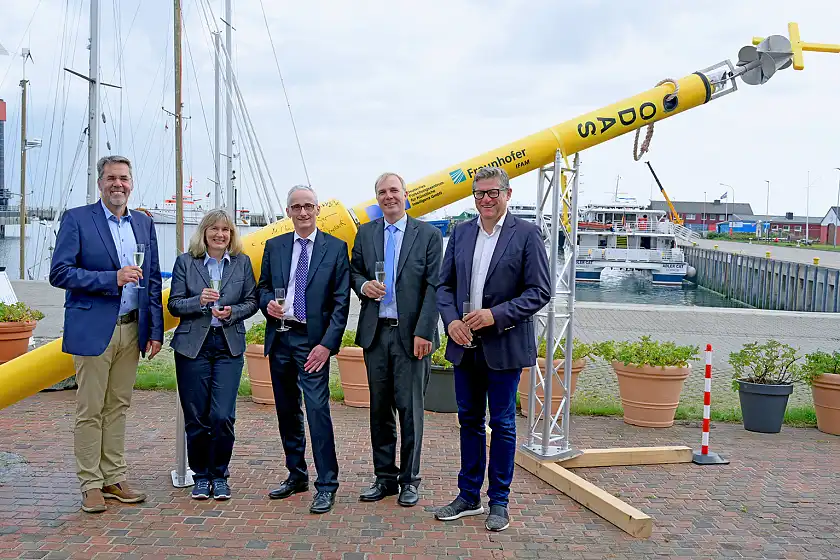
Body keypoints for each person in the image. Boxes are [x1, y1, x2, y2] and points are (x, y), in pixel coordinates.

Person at [435, 166, 550, 532]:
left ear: (507, 194)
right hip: (464, 344)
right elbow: (444, 286)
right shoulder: (460, 232)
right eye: (479, 193)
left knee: (502, 424)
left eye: (492, 193)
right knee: (468, 421)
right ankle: (468, 496)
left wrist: (494, 315)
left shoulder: (527, 234)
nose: (485, 199)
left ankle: (499, 501)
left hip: (504, 344)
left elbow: (539, 292)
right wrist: (451, 321)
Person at [49, 155, 164, 513]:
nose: (118, 184)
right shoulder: (77, 219)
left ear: (131, 183)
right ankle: (90, 483)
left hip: (132, 328)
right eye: (111, 178)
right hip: (93, 329)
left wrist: (155, 331)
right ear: (100, 183)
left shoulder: (144, 223)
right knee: (90, 409)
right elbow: (60, 273)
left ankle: (113, 477)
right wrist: (110, 279)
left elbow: (153, 280)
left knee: (118, 407)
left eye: (124, 178)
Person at [350, 172, 442, 507]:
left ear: (406, 195)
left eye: (394, 190)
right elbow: (354, 272)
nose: (388, 196)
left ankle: (410, 480)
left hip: (412, 336)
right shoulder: (365, 233)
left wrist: (424, 332)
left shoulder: (428, 235)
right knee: (380, 410)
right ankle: (385, 478)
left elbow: (435, 285)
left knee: (411, 411)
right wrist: (363, 286)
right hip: (376, 335)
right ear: (377, 198)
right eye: (382, 192)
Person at [257, 185, 350, 514]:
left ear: (318, 209)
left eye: (308, 206)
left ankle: (327, 484)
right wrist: (267, 304)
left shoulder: (335, 248)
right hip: (281, 337)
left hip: (313, 343)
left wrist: (327, 345)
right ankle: (296, 475)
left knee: (317, 410)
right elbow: (262, 288)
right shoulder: (275, 246)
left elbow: (341, 304)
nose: (303, 212)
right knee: (286, 411)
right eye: (296, 207)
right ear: (288, 212)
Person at [167, 209, 258, 501]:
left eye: (226, 230)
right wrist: (199, 300)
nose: (220, 234)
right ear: (204, 233)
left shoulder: (242, 263)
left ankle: (220, 475)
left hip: (228, 345)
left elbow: (252, 301)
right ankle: (201, 476)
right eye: (214, 229)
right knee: (196, 417)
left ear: (232, 234)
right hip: (193, 346)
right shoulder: (186, 262)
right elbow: (174, 304)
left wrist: (232, 312)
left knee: (222, 415)